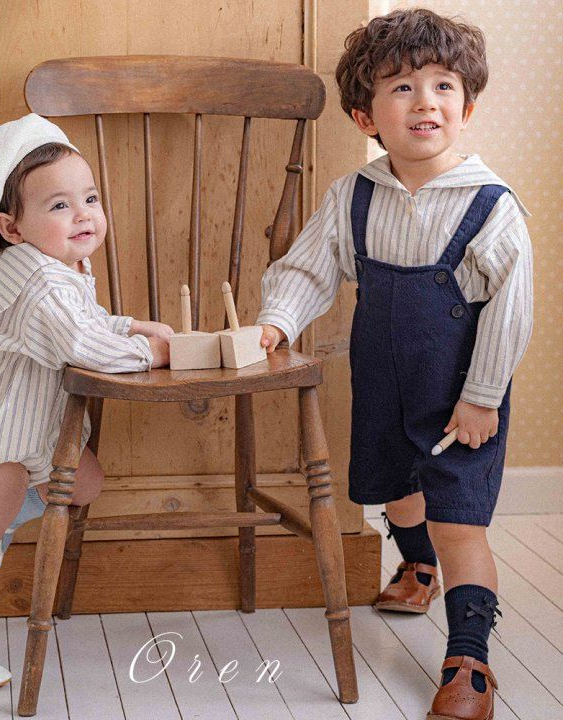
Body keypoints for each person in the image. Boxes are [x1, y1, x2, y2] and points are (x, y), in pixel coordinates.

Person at [257, 9, 532, 719]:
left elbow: (510, 311)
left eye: (443, 85)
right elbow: (308, 268)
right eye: (402, 87)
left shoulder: (490, 205)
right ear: (365, 116)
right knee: (395, 493)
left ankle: (468, 659)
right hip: (381, 381)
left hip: (462, 396)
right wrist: (277, 320)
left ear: (466, 108)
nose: (425, 101)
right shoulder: (353, 196)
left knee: (458, 520)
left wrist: (483, 396)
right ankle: (417, 565)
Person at [0, 114, 173, 691]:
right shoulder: (38, 282)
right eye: (60, 206)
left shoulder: (57, 266)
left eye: (89, 198)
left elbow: (86, 321)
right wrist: (151, 352)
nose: (83, 214)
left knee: (84, 483)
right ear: (12, 229)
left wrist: (128, 323)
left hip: (33, 422)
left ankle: (7, 519)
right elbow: (83, 345)